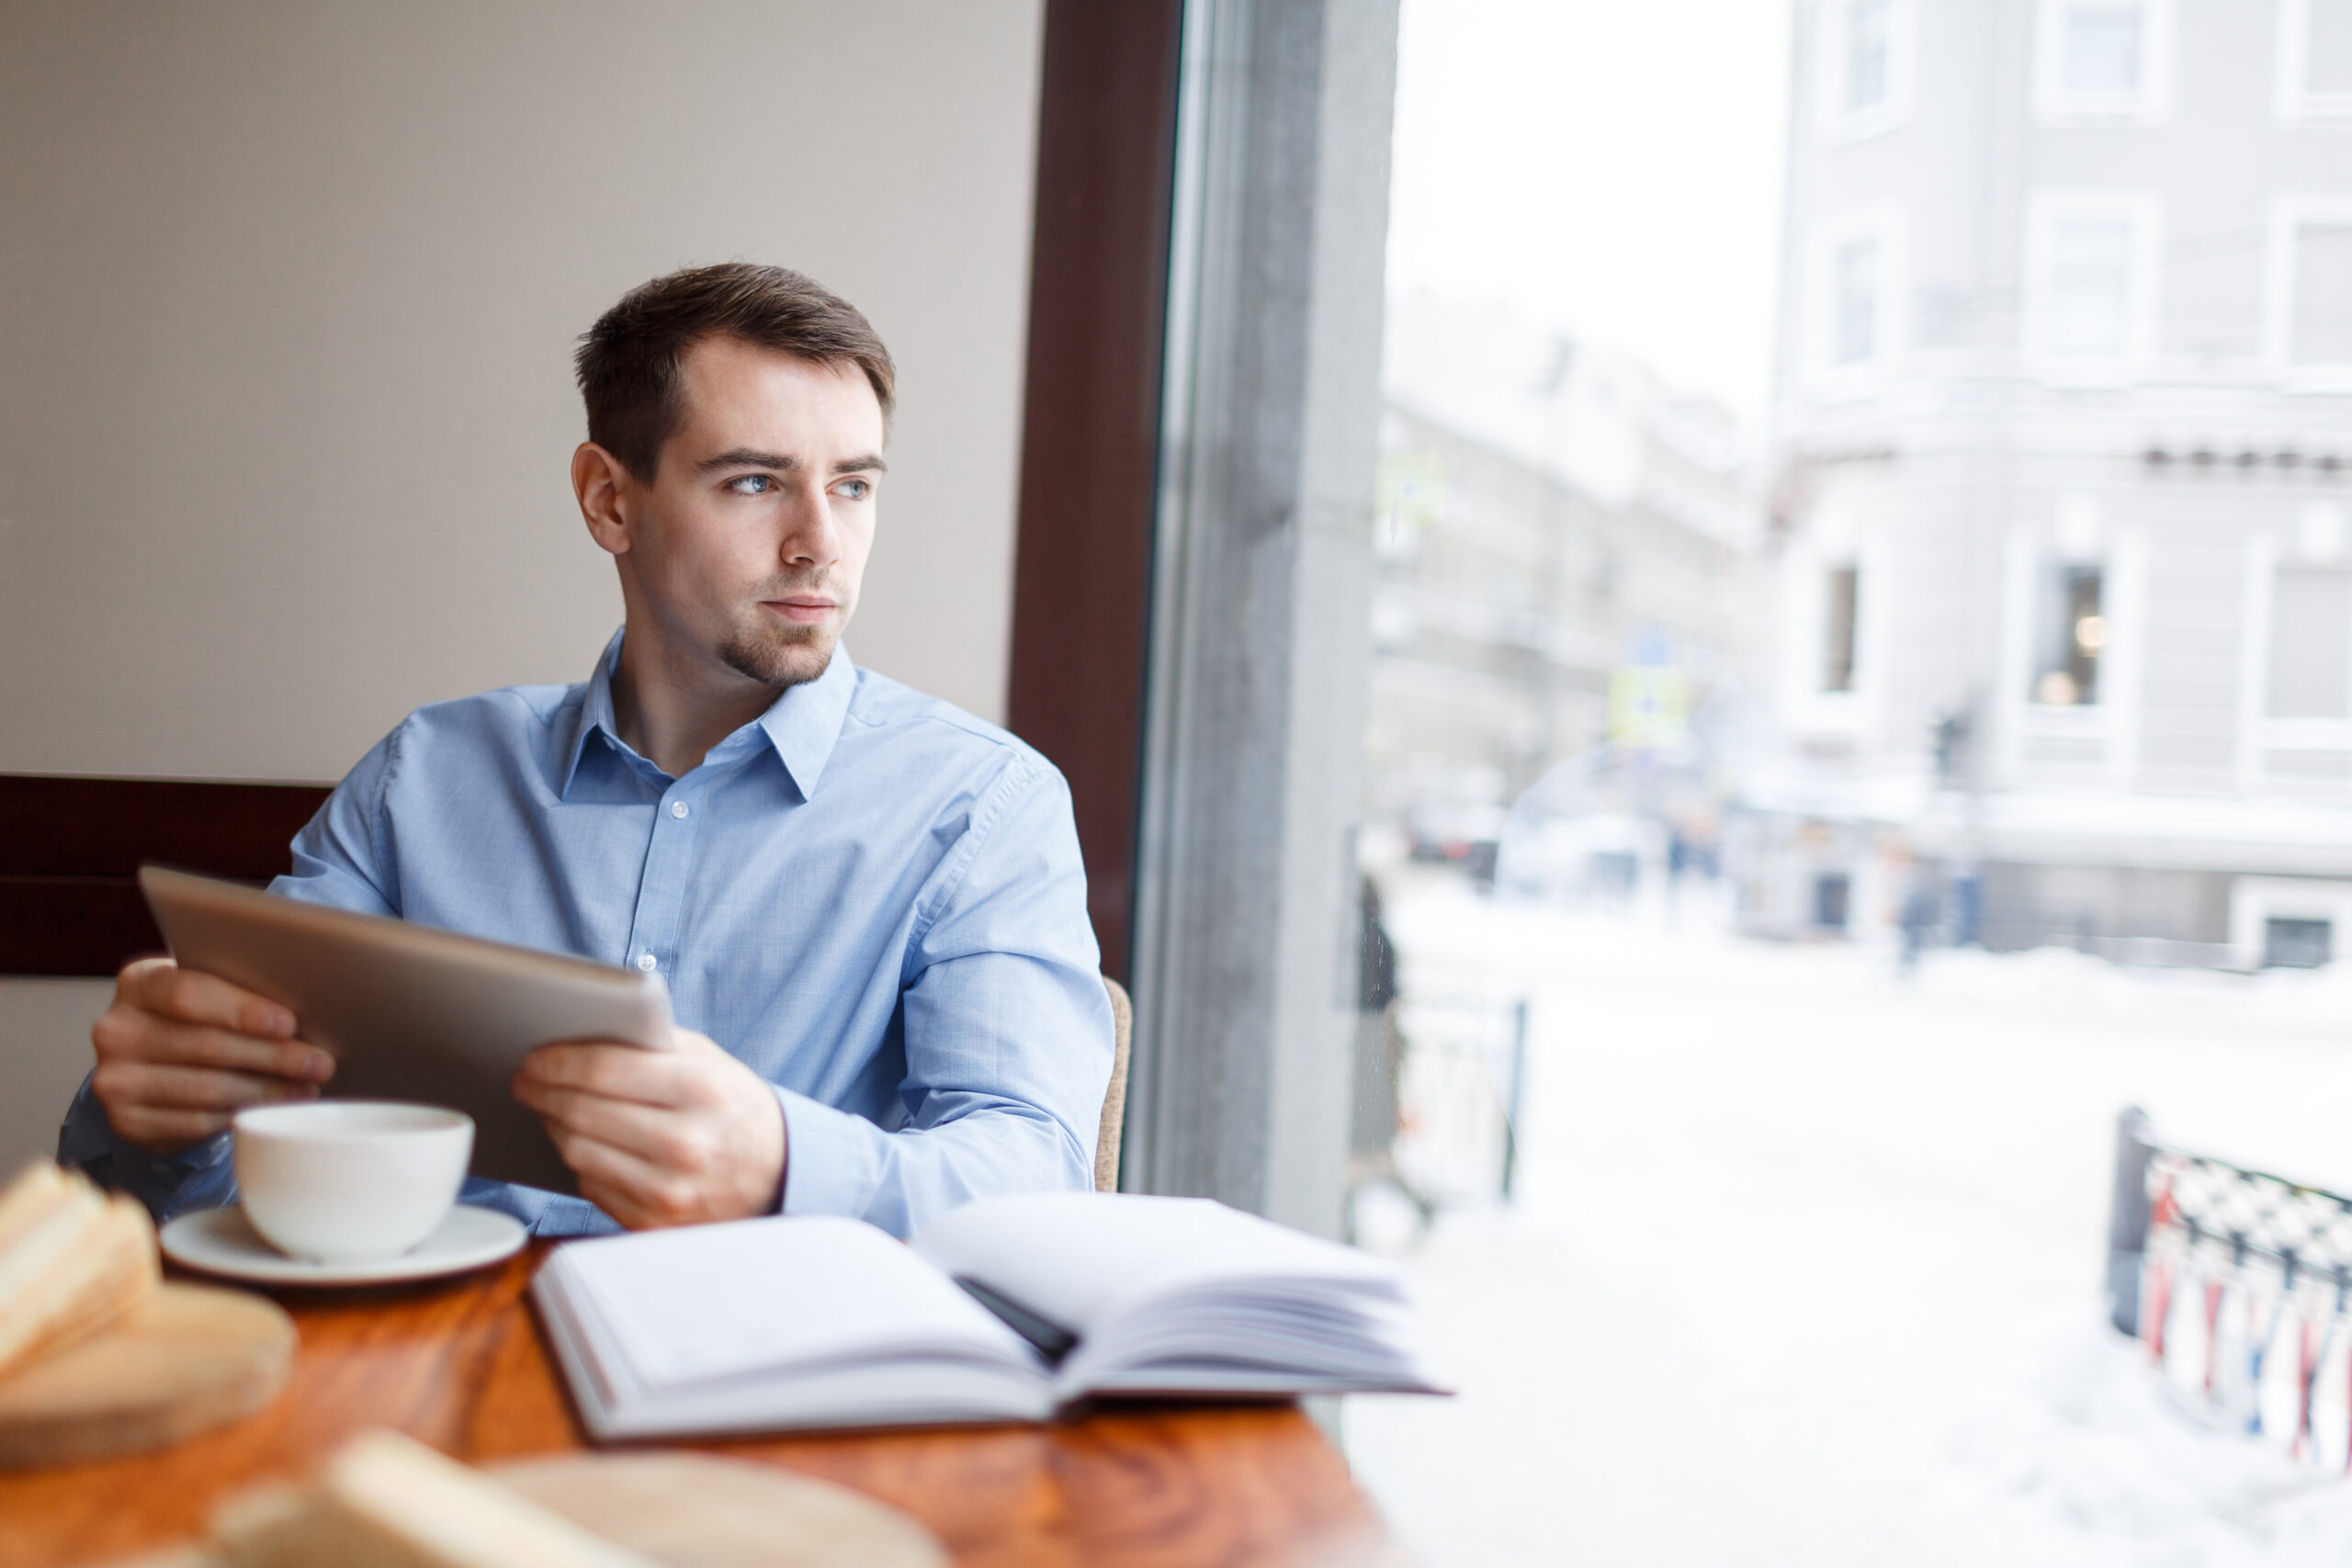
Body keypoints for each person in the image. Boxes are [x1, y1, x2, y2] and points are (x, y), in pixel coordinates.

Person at [58, 264, 1114, 1239]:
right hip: (436, 1381)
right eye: (754, 482)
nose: (819, 542)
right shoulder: (420, 782)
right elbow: (238, 1171)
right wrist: (164, 1121)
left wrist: (784, 1163)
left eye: (852, 484)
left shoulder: (984, 807)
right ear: (611, 500)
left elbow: (1032, 1180)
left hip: (785, 1406)